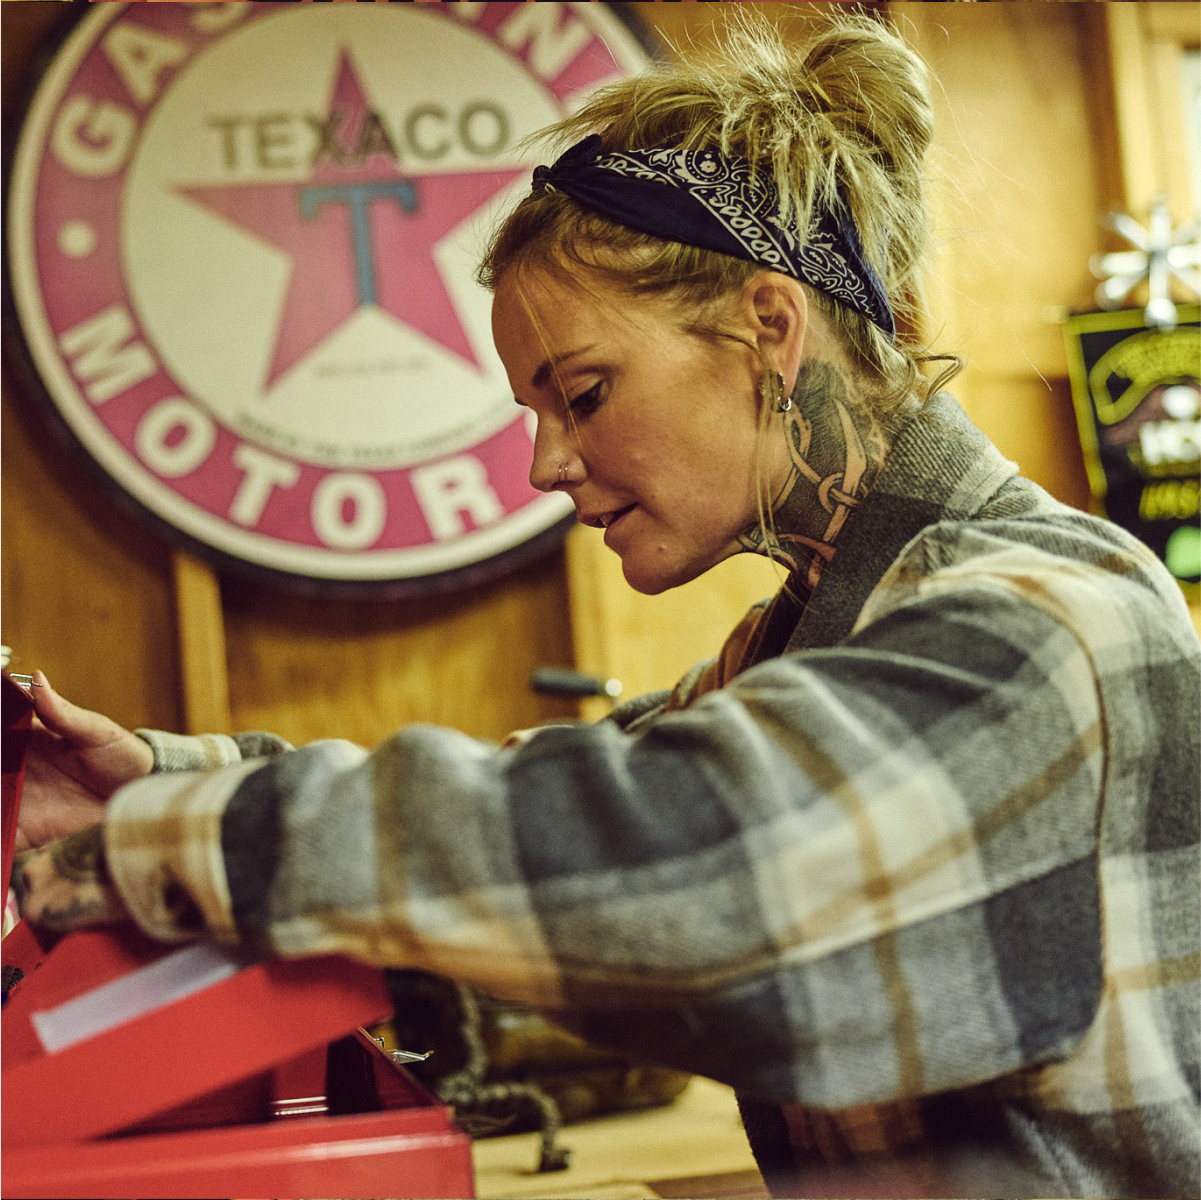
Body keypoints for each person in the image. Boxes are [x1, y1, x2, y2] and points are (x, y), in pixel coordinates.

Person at [13, 14, 1201, 1198]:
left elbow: (697, 856)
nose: (544, 463)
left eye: (582, 393)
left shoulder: (1046, 618)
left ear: (767, 326)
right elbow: (541, 786)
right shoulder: (798, 642)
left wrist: (190, 845)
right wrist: (166, 780)